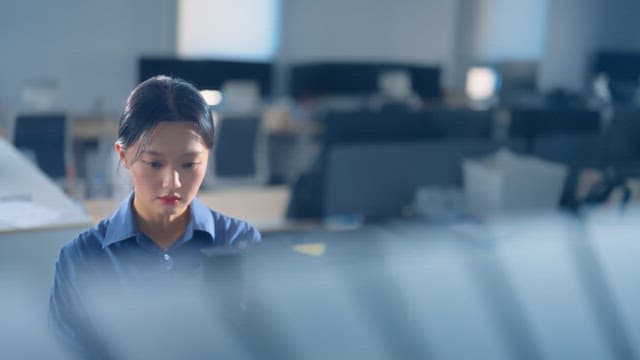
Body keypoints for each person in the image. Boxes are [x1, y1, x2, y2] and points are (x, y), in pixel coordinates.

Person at [49, 76, 261, 358]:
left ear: (208, 157)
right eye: (155, 163)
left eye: (189, 164)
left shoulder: (241, 242)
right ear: (123, 156)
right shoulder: (81, 259)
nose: (172, 182)